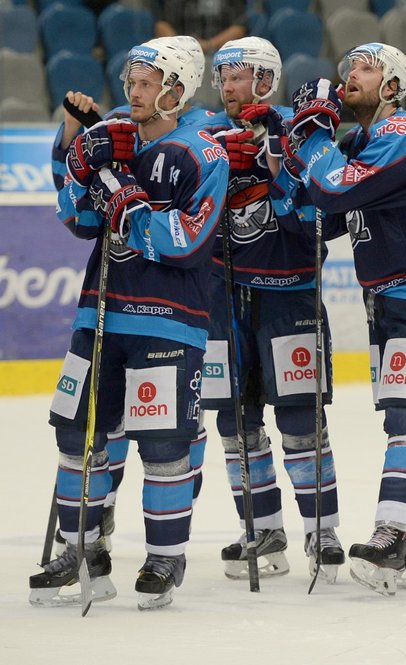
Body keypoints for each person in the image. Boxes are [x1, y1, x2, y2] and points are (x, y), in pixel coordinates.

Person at [280, 42, 406, 595]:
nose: (351, 76)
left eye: (366, 69)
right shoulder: (359, 143)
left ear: (393, 86)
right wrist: (284, 152)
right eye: (348, 68)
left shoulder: (405, 132)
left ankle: (392, 532)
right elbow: (312, 217)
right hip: (391, 295)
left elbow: (340, 187)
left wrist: (313, 139)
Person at [31, 40, 226, 610]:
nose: (132, 92)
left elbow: (184, 242)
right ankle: (81, 549)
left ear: (176, 89)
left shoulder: (202, 155)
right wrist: (77, 150)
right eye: (131, 81)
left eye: (145, 83)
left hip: (170, 321)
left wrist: (115, 180)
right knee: (76, 436)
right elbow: (78, 217)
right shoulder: (115, 134)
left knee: (164, 446)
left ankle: (165, 556)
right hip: (99, 312)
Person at [201, 35, 344, 582]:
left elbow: (325, 216)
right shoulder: (206, 134)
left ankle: (321, 529)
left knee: (302, 419)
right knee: (236, 420)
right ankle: (263, 527)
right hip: (223, 295)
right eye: (224, 76)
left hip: (289, 294)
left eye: (238, 76)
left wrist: (269, 166)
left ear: (265, 78)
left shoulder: (302, 129)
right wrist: (223, 180)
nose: (228, 86)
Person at [153, 0, 247, 55]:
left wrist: (208, 45)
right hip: (180, 53)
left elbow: (239, 28)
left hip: (222, 52)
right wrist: (181, 46)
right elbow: (161, 25)